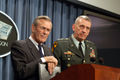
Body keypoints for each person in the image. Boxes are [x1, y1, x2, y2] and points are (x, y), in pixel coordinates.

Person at [11, 16, 58, 80]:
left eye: (48, 30)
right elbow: (21, 72)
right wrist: (43, 60)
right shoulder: (19, 46)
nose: (45, 32)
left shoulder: (48, 50)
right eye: (43, 28)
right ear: (33, 28)